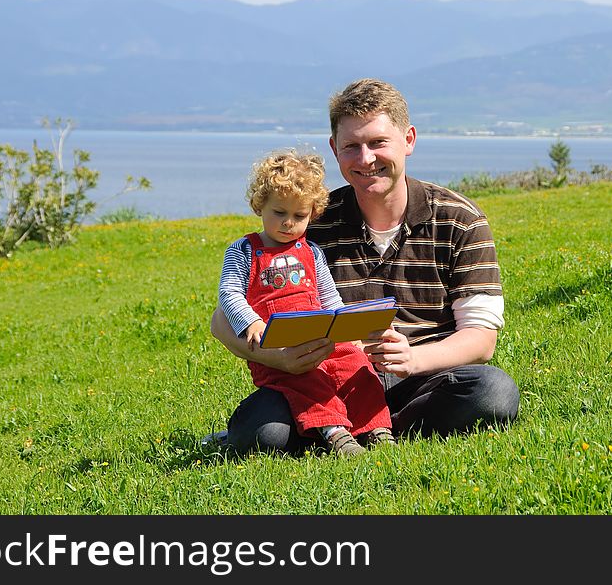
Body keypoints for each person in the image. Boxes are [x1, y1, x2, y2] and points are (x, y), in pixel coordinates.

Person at [207, 78, 519, 455]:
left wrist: (413, 359)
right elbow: (221, 320)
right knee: (261, 433)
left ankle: (353, 430)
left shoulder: (459, 219)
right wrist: (277, 359)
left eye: (378, 142)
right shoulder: (306, 221)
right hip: (323, 378)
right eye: (352, 146)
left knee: (493, 392)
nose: (366, 158)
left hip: (421, 379)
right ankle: (346, 426)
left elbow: (481, 341)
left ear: (409, 140)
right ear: (334, 149)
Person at [216, 148, 393, 457]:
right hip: (279, 346)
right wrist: (251, 322)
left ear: (312, 213)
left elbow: (329, 296)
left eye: (299, 216)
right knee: (308, 379)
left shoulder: (311, 252)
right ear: (260, 206)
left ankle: (376, 426)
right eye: (279, 213)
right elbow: (229, 294)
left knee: (357, 366)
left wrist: (347, 327)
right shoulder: (244, 251)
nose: (288, 223)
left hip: (322, 335)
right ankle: (333, 431)